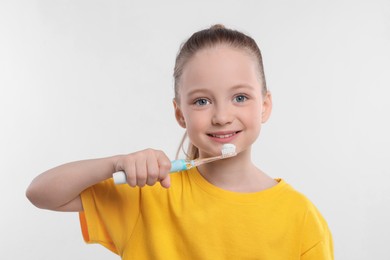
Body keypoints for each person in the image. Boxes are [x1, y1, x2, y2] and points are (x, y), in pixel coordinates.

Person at [26, 24, 333, 259]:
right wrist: (116, 163)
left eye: (240, 97)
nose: (222, 116)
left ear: (264, 106)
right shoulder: (150, 194)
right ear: (180, 113)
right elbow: (40, 193)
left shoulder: (301, 217)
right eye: (202, 101)